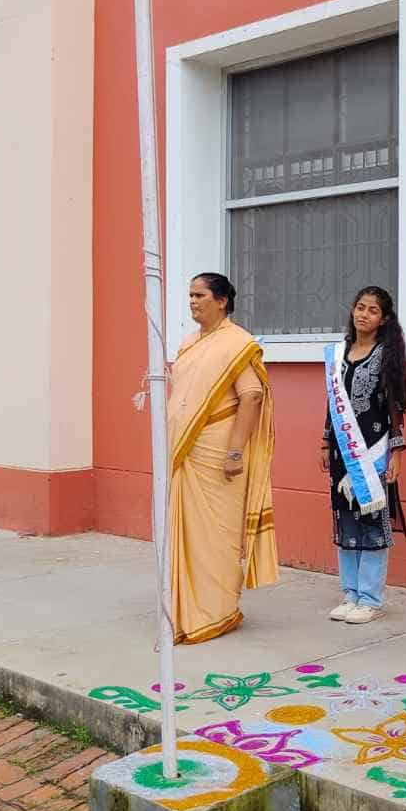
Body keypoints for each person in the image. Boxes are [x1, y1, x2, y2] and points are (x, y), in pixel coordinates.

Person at [166, 273, 278, 644]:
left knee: (217, 534)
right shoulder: (188, 343)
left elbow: (251, 396)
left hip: (218, 454)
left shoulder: (238, 343)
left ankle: (217, 612)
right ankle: (187, 610)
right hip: (186, 452)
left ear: (222, 301)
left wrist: (235, 451)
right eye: (190, 295)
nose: (192, 301)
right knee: (188, 533)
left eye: (200, 295)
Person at [320, 286, 406, 625]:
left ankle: (370, 598)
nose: (364, 314)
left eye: (373, 310)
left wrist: (396, 452)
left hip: (374, 451)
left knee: (371, 519)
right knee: (346, 518)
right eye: (360, 307)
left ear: (383, 319)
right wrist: (325, 443)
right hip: (342, 452)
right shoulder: (339, 354)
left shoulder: (386, 355)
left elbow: (395, 407)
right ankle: (350, 594)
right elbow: (332, 404)